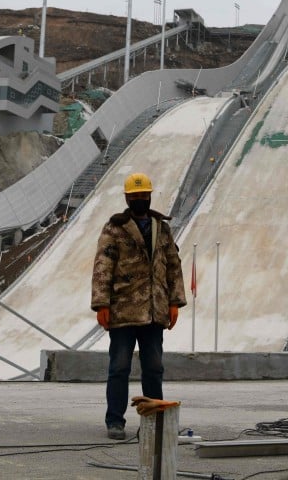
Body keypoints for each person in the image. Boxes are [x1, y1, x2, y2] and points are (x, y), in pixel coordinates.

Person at [90, 172, 187, 440]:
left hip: (154, 312)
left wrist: (175, 302)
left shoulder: (161, 227)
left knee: (154, 368)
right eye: (135, 196)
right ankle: (115, 421)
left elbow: (173, 265)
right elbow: (103, 266)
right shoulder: (114, 228)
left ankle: (154, 421)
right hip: (123, 310)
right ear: (127, 198)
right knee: (119, 367)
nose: (140, 200)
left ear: (150, 196)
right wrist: (101, 304)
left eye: (144, 195)